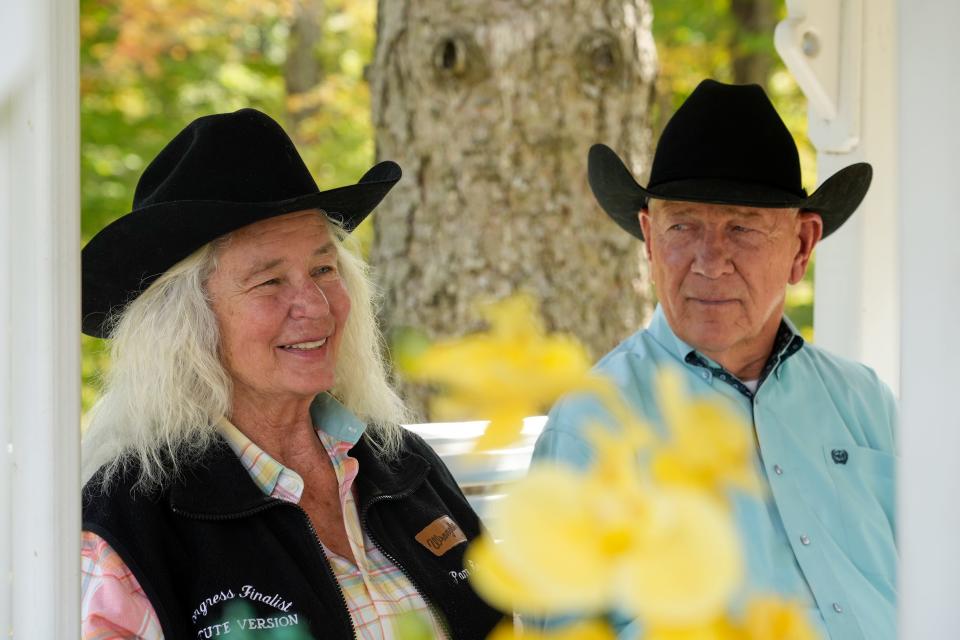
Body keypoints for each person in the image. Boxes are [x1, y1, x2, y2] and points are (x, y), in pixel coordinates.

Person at [80, 108, 502, 639]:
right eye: (269, 281)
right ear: (185, 325)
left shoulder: (402, 466)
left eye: (324, 269)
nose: (315, 305)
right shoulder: (131, 524)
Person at [533, 79, 896, 640]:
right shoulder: (594, 423)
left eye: (742, 228)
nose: (709, 262)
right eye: (683, 226)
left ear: (802, 247)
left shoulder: (864, 401)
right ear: (650, 240)